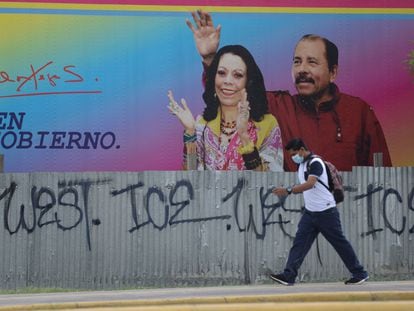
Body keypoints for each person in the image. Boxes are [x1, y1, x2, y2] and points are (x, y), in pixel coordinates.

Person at [186, 10, 392, 172]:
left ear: (333, 72)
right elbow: (232, 93)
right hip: (289, 217)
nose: (302, 69)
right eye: (297, 62)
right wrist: (210, 60)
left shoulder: (358, 112)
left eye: (312, 62)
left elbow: (384, 177)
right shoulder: (279, 107)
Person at [168, 44, 283, 171]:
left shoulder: (267, 124)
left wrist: (244, 137)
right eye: (222, 73)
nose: (227, 81)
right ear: (214, 78)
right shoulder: (202, 124)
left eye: (237, 75)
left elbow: (271, 182)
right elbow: (190, 181)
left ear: (249, 81)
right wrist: (190, 132)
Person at [271, 138, 369, 285]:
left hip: (326, 212)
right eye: (291, 155)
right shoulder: (302, 165)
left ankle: (359, 273)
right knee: (299, 244)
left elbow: (310, 184)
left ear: (302, 150)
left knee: (339, 243)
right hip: (311, 213)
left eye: (295, 154)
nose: (293, 158)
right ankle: (289, 275)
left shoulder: (315, 163)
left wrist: (288, 190)